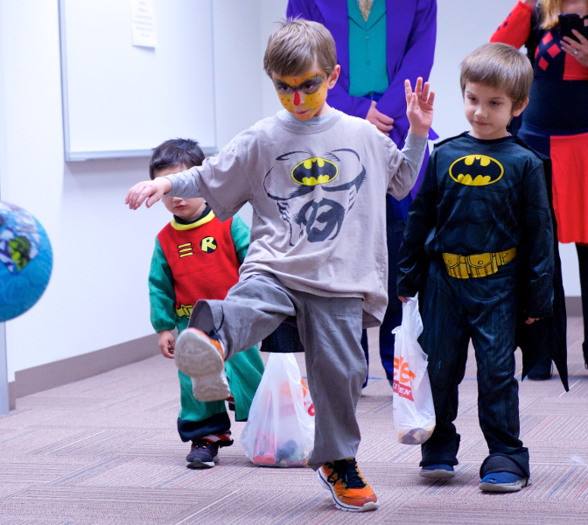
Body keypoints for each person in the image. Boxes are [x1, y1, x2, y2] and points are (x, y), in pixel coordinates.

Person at [127, 19, 433, 513]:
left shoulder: (361, 133)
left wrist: (417, 131)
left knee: (344, 372)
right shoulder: (261, 138)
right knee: (250, 300)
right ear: (272, 81)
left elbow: (400, 181)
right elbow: (209, 176)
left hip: (338, 278)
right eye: (284, 88)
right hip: (276, 265)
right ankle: (210, 335)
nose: (297, 98)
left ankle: (336, 460)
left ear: (333, 76)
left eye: (308, 85)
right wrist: (166, 186)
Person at [397, 43, 554, 492]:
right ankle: (439, 446)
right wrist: (407, 279)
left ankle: (506, 454)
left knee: (496, 371)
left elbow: (539, 233)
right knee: (440, 366)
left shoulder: (525, 163)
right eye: (472, 98)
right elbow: (421, 217)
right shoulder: (443, 154)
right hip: (444, 282)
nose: (480, 112)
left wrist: (537, 297)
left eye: (494, 103)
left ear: (518, 105)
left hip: (499, 286)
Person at [285, 0, 437, 386]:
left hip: (397, 127)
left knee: (400, 248)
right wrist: (355, 111)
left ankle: (397, 361)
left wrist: (381, 115)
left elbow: (419, 59)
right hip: (332, 131)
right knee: (338, 248)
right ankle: (350, 365)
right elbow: (300, 54)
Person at [147, 138, 264, 469]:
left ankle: (265, 424)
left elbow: (252, 262)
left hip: (234, 320)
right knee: (194, 380)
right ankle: (206, 435)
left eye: (184, 186)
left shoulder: (228, 223)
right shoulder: (165, 240)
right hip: (191, 325)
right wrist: (164, 327)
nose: (177, 197)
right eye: (168, 191)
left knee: (247, 372)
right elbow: (159, 286)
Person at [491, 0, 588, 377]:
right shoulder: (535, 11)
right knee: (539, 253)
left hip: (583, 149)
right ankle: (541, 355)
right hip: (536, 148)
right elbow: (494, 52)